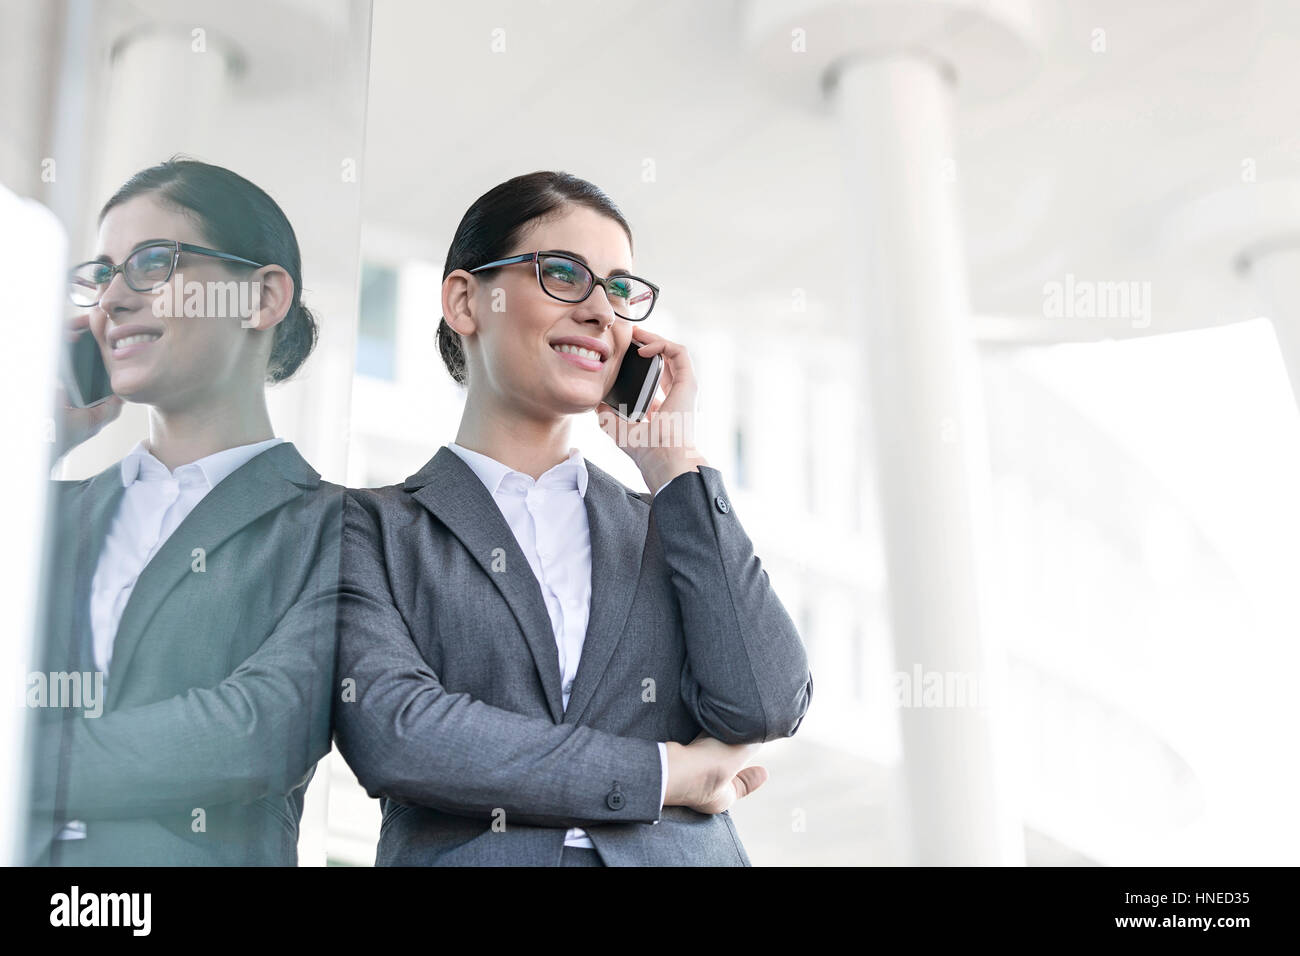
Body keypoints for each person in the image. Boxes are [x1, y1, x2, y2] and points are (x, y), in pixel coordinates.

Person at [333, 170, 813, 866]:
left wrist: (671, 463)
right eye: (563, 273)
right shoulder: (366, 530)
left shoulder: (669, 526)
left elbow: (766, 701)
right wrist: (669, 774)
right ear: (467, 301)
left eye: (619, 289)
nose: (600, 311)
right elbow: (400, 734)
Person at [27, 158, 341, 866]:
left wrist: (21, 761)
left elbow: (257, 731)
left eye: (152, 263)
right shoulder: (49, 511)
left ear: (261, 299)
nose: (111, 300)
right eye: (102, 274)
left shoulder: (340, 526)